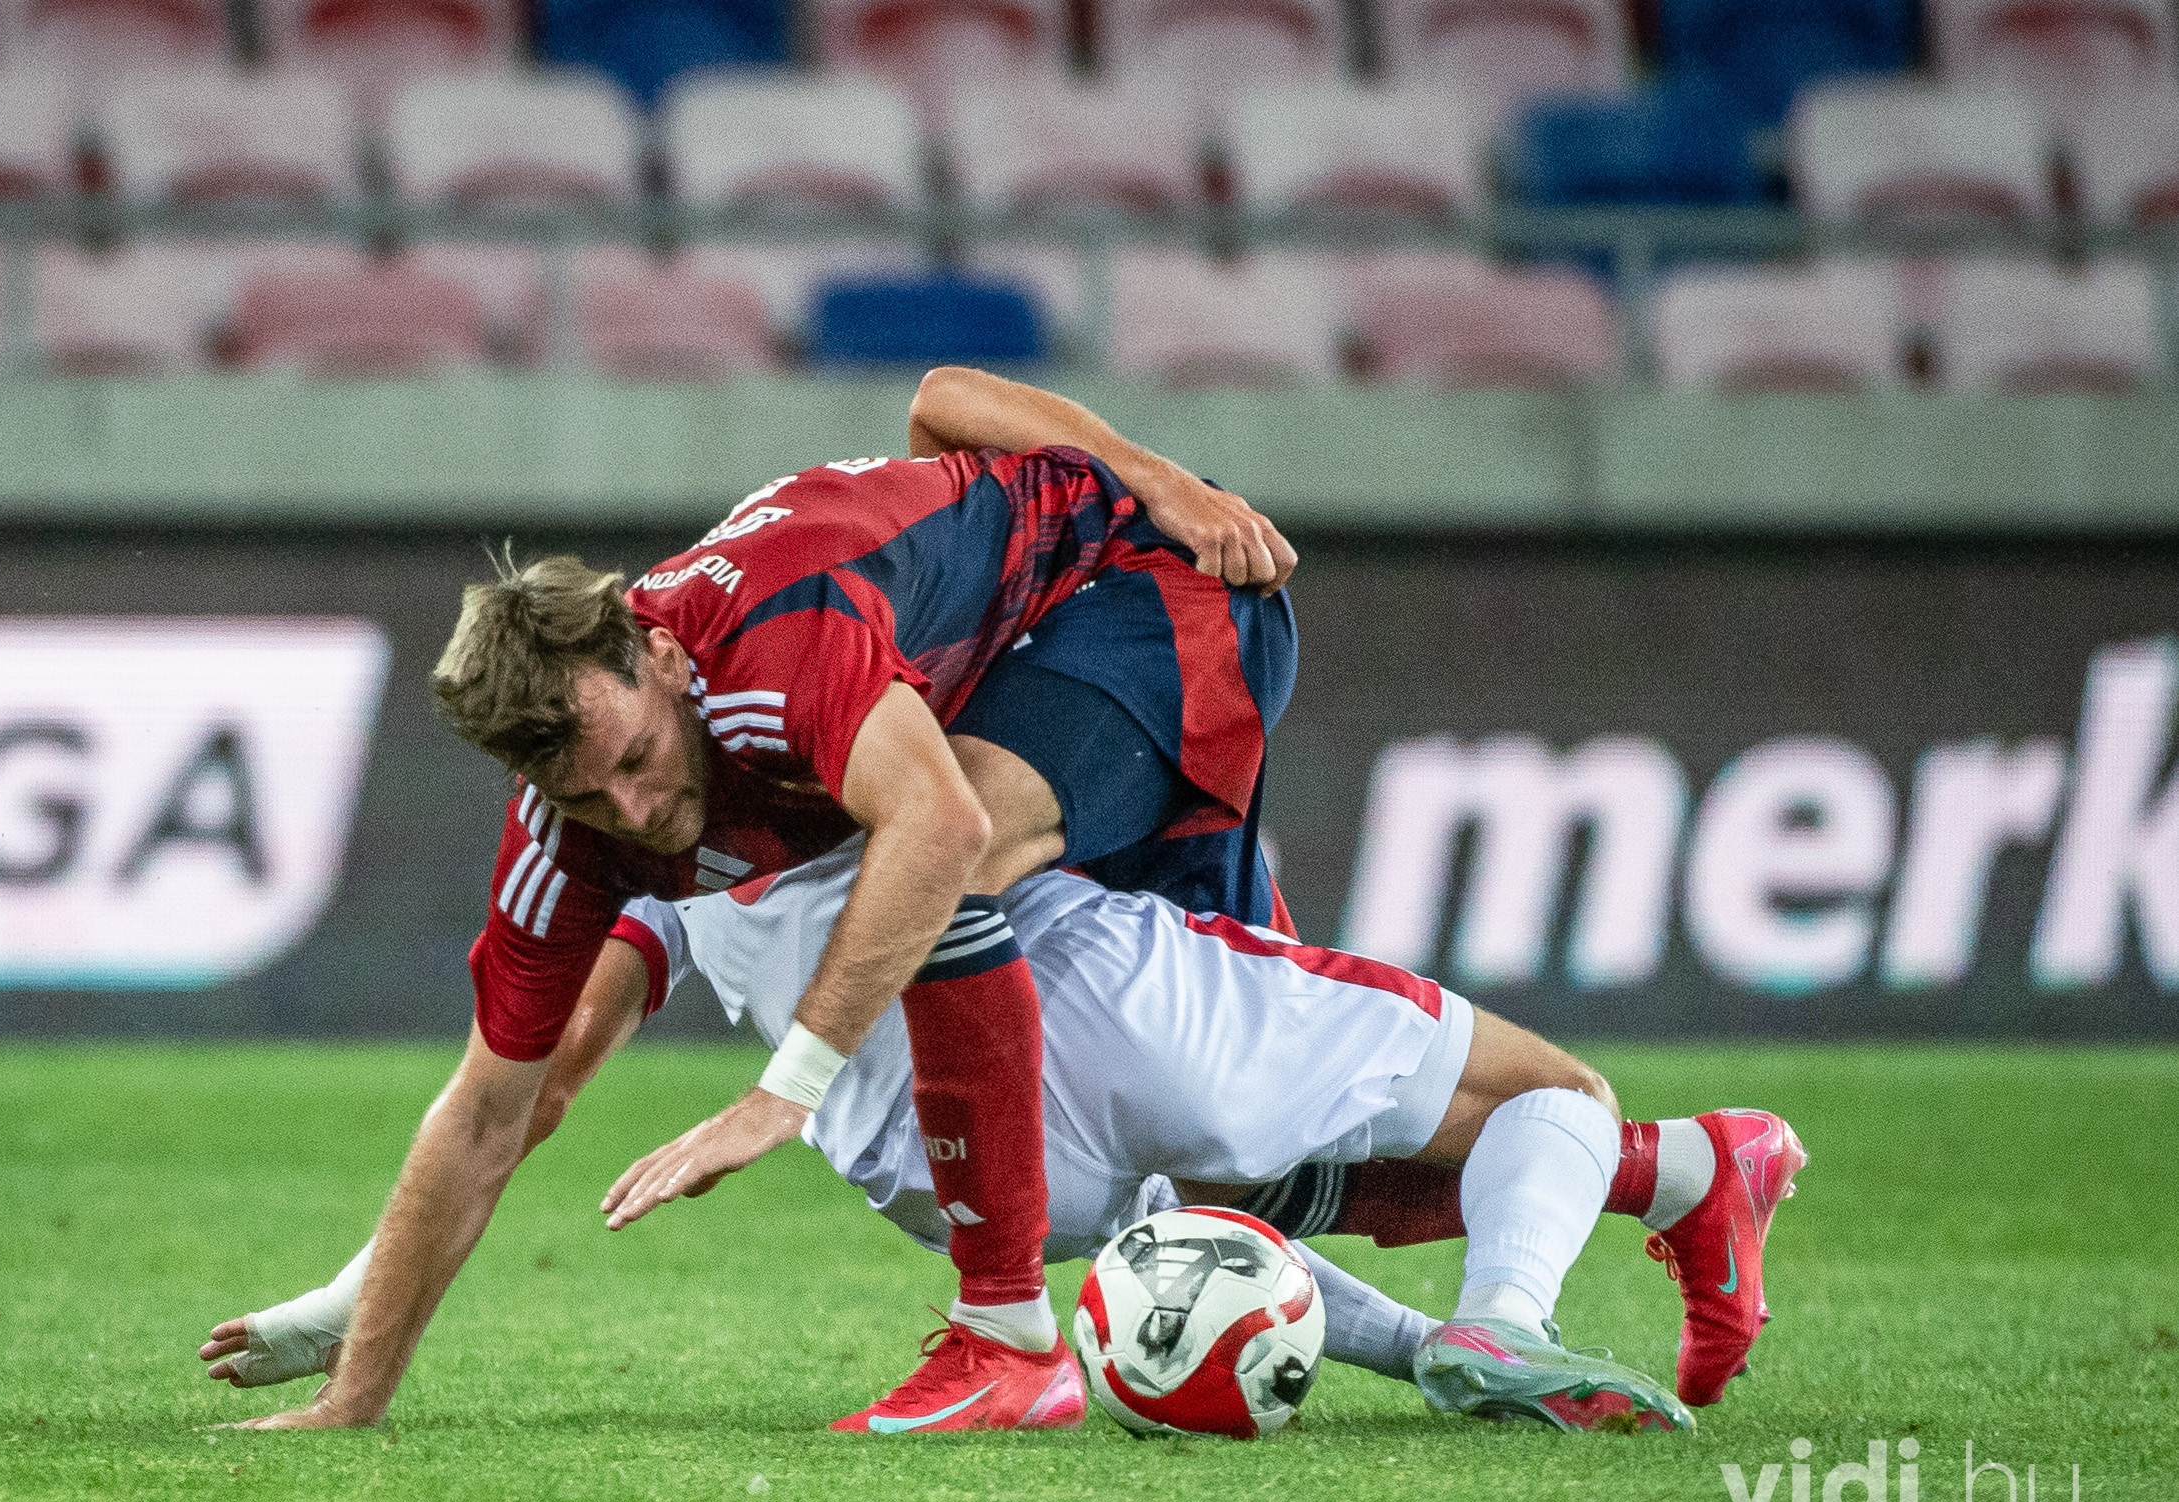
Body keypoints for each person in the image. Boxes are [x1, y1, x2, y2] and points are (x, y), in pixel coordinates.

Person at [223, 369, 1301, 1432]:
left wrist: (786, 1089)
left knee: (968, 890)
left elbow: (937, 396)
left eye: (635, 759)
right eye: (586, 794)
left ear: (660, 658)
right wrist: (354, 1377)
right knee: (1263, 1104)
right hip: (978, 701)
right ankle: (1372, 1303)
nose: (636, 810)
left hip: (1148, 586)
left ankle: (1006, 1338)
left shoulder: (773, 652)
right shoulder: (583, 819)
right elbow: (491, 1108)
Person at [206, 840, 1806, 1433]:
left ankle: (1694, 1175)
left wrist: (357, 1301)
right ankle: (1511, 1310)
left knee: (1260, 1203)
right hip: (1089, 996)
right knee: (1549, 1096)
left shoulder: (633, 855)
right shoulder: (844, 705)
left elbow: (533, 1091)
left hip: (949, 1169)